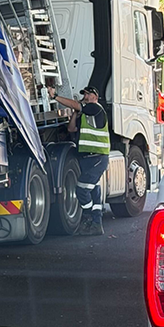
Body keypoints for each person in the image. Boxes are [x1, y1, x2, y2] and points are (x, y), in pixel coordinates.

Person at [57, 86, 111, 236]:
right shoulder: (86, 115)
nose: (85, 96)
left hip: (97, 157)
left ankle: (88, 218)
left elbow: (75, 104)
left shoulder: (95, 108)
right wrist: (76, 113)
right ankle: (97, 224)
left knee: (81, 190)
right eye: (84, 94)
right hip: (88, 158)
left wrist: (55, 97)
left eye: (88, 94)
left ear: (95, 97)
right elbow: (71, 129)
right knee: (93, 190)